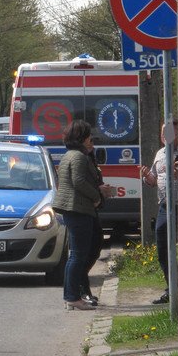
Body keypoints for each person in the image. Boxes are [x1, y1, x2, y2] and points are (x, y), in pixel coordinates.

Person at [52, 121, 115, 311]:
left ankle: (75, 295)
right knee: (77, 256)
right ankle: (72, 296)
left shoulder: (71, 155)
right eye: (89, 138)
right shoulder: (78, 157)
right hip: (78, 209)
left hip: (76, 210)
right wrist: (96, 196)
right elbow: (78, 181)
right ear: (81, 139)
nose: (91, 141)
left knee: (79, 255)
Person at [140, 120, 178, 305]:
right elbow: (154, 180)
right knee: (162, 248)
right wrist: (148, 177)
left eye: (170, 132)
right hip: (164, 206)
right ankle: (171, 289)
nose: (166, 136)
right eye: (163, 133)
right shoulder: (160, 154)